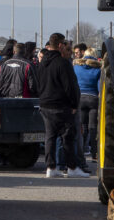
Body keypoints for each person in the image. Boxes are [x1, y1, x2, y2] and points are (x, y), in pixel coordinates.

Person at [36, 33, 89, 179]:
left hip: (45, 104)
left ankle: (51, 167)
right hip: (61, 105)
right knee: (67, 136)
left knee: (50, 136)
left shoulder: (42, 63)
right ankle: (72, 167)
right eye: (64, 44)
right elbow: (70, 86)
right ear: (60, 45)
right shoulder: (63, 63)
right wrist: (73, 103)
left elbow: (37, 84)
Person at [73, 48, 102, 157]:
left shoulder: (76, 67)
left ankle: (80, 152)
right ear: (94, 55)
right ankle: (95, 153)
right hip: (93, 99)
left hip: (80, 98)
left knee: (83, 126)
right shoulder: (98, 69)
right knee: (93, 127)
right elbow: (99, 87)